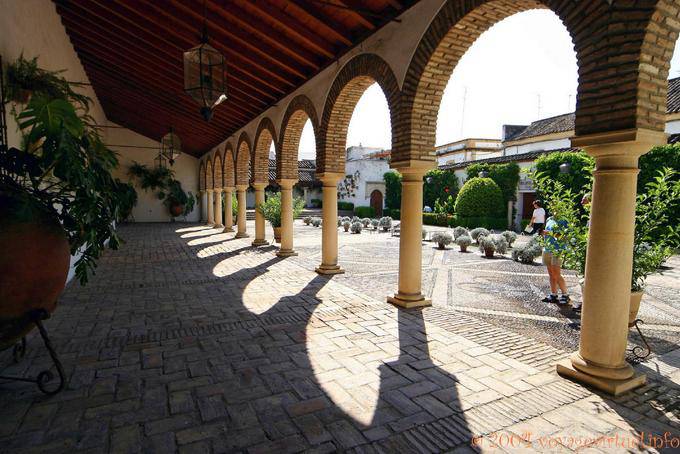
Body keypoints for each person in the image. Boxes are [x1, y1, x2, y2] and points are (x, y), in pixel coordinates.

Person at [541, 216, 570, 305]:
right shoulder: (549, 219)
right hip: (547, 249)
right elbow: (547, 233)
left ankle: (565, 295)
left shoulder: (564, 220)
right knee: (551, 274)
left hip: (558, 250)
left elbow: (564, 237)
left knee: (556, 273)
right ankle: (553, 294)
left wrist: (550, 233)